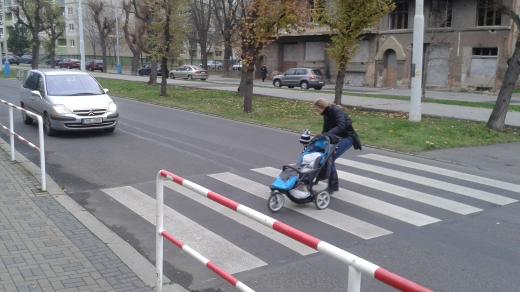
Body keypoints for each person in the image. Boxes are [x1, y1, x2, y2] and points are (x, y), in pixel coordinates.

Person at [313, 98, 362, 193]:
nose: (316, 111)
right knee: (321, 154)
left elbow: (341, 126)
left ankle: (333, 186)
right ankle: (318, 177)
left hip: (347, 138)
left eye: (317, 109)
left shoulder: (336, 110)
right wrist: (320, 137)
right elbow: (326, 129)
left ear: (322, 107)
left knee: (329, 157)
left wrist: (326, 135)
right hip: (336, 138)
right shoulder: (326, 114)